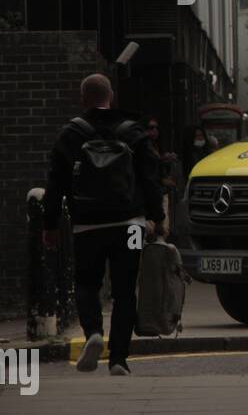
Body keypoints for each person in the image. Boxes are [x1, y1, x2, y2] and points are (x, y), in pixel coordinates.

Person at [43, 74, 165, 376]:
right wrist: (157, 218)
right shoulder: (133, 131)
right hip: (131, 226)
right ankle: (119, 360)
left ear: (83, 98)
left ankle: (94, 333)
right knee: (125, 291)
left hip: (87, 226)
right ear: (111, 96)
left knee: (86, 283)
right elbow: (151, 178)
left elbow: (55, 183)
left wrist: (50, 224)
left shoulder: (71, 134)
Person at [146, 116, 181, 231]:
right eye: (151, 128)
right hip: (153, 191)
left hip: (161, 190)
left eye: (156, 128)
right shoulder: (144, 147)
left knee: (164, 226)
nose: (154, 131)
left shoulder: (157, 145)